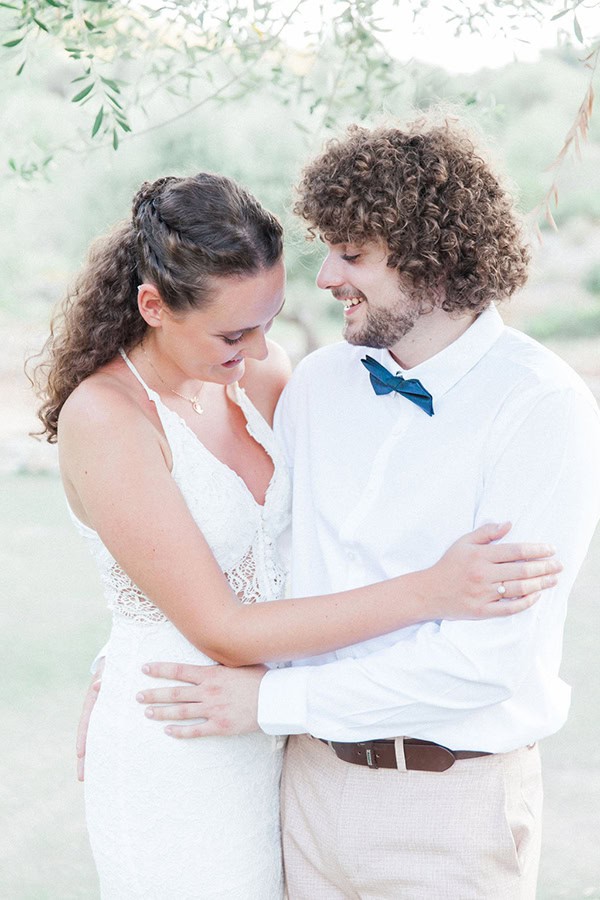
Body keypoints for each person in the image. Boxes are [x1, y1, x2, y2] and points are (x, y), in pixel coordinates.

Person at [35, 171, 559, 899]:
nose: (257, 349)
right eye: (232, 332)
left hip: (284, 740)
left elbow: (301, 544)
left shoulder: (269, 377)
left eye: (269, 320)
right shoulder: (106, 416)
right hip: (180, 724)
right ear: (152, 305)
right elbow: (214, 624)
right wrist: (433, 591)